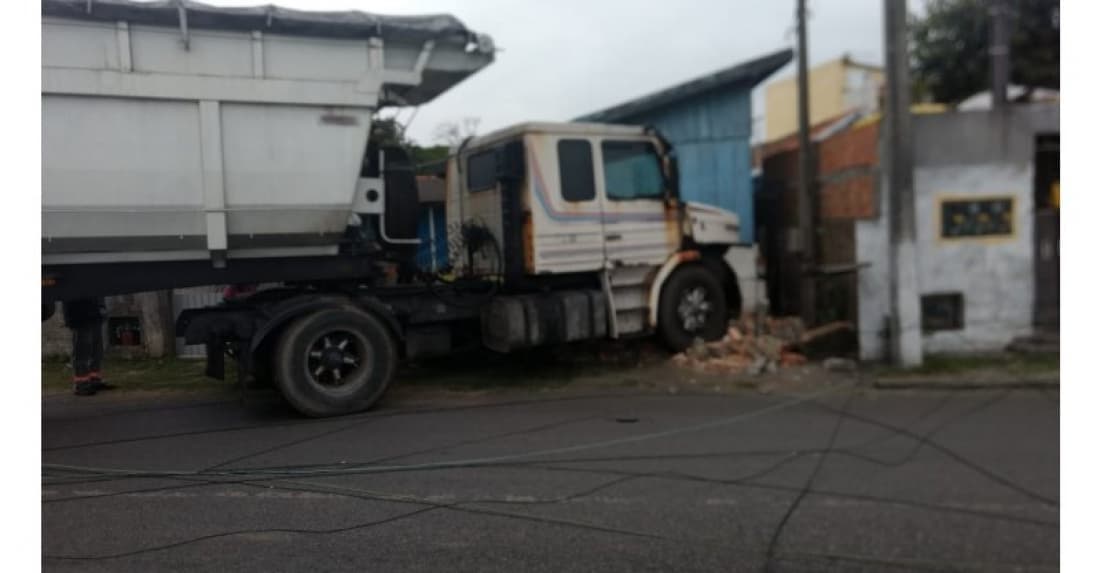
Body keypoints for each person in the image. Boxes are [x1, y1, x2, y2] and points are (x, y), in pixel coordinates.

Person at [62, 298, 110, 396]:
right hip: (80, 315)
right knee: (82, 349)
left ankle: (94, 380)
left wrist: (101, 308)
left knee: (96, 349)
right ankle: (81, 384)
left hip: (94, 312)